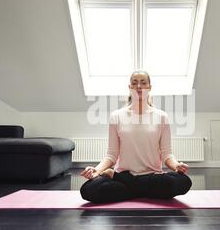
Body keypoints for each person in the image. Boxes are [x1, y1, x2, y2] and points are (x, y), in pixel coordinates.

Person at [80, 70, 192, 203]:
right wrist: (96, 170)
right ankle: (143, 191)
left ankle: (119, 180)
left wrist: (176, 166)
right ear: (129, 88)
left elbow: (167, 154)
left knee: (183, 182)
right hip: (133, 175)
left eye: (143, 83)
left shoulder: (161, 116)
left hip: (151, 175)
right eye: (134, 83)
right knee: (88, 190)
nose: (139, 86)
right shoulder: (117, 116)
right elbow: (111, 155)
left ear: (149, 87)